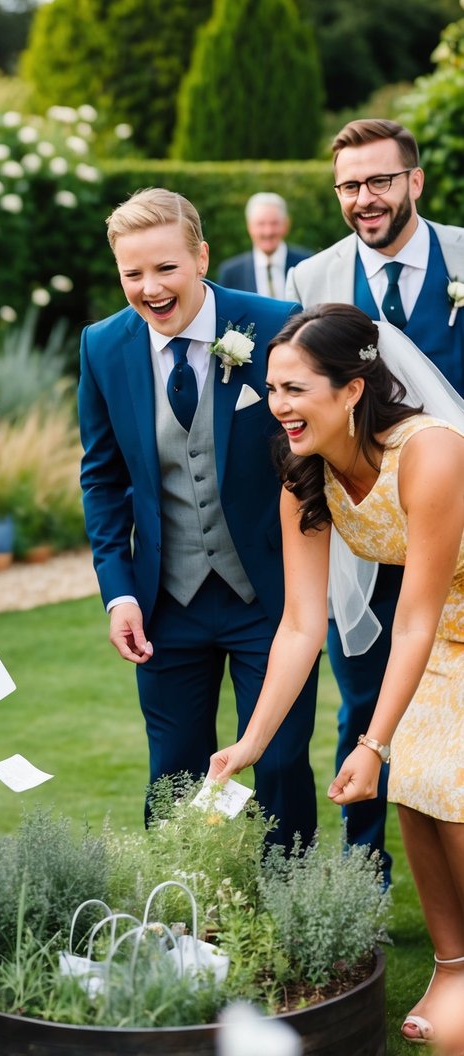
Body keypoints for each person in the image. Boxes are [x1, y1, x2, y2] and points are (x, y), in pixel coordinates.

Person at [209, 302, 464, 1051]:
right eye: (272, 389)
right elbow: (298, 622)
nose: (278, 406)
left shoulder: (431, 452)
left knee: (447, 793)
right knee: (415, 795)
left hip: (439, 619)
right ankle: (451, 969)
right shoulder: (303, 473)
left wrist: (371, 742)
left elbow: (410, 620)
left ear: (351, 389)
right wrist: (250, 741)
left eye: (294, 389)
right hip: (443, 625)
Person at [78, 187, 318, 850]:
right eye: (132, 274)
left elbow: (312, 448)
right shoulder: (101, 346)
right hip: (164, 603)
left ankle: (291, 923)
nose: (149, 289)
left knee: (275, 763)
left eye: (165, 269)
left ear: (201, 257)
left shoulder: (276, 325)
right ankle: (182, 927)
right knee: (174, 777)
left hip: (267, 597)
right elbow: (100, 479)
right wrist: (118, 592)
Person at [286, 119, 464, 884]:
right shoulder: (309, 278)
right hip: (367, 516)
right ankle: (363, 869)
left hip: (449, 509)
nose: (365, 198)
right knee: (360, 687)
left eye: (380, 181)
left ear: (413, 182)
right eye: (349, 185)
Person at [216, 192, 312, 297]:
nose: (268, 232)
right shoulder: (231, 273)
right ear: (249, 227)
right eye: (261, 224)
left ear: (286, 225)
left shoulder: (307, 263)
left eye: (274, 223)